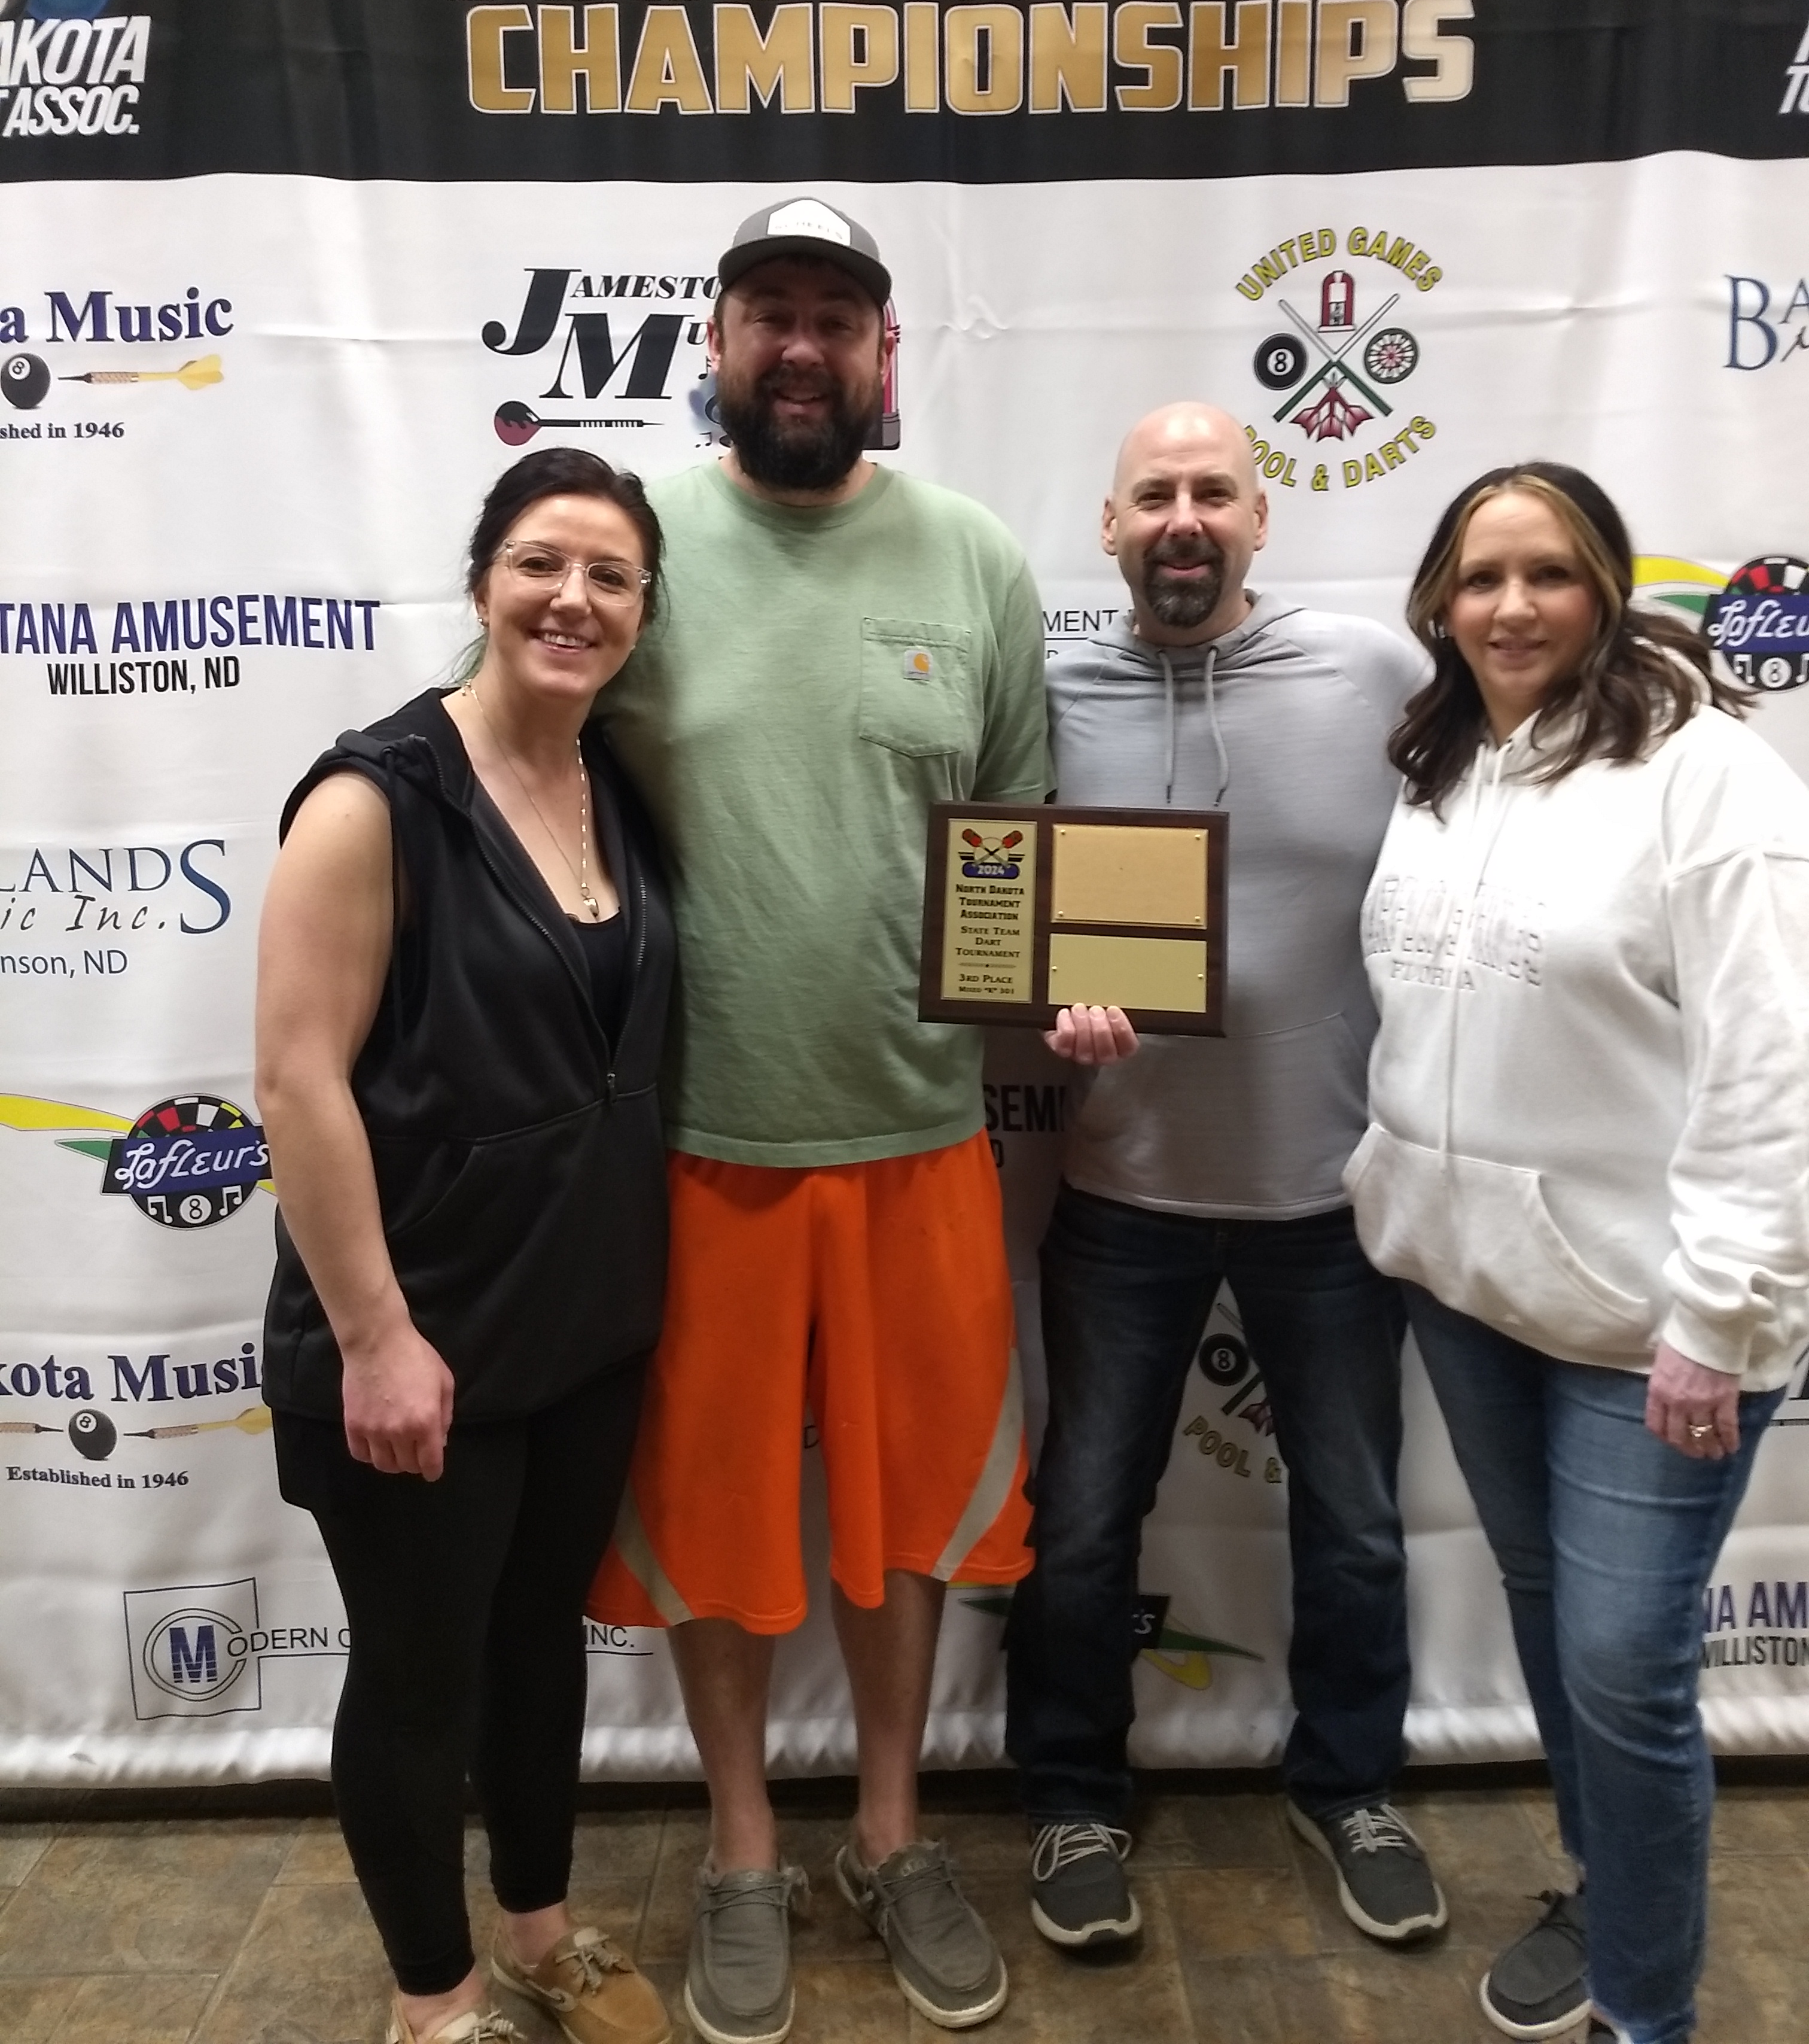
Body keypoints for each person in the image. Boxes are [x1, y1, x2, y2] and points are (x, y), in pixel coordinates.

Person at [586, 197, 1048, 2044]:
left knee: (910, 1516)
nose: (800, 344)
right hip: (693, 1147)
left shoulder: (976, 558)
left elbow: (1017, 854)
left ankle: (892, 1831)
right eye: (767, 310)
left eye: (835, 318)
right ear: (712, 342)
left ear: (883, 354)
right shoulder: (628, 550)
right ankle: (741, 1850)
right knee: (711, 1521)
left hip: (921, 1138)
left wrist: (1074, 992)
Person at [1349, 461, 1809, 2044]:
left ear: (1607, 588)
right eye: (1481, 578)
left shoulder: (1707, 774)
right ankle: (1605, 1888)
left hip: (1654, 1321)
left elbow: (1774, 1066)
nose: (1512, 607)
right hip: (1472, 1288)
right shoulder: (1441, 762)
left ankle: (1644, 2011)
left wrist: (1720, 1315)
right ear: (1438, 601)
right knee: (1549, 1614)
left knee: (1623, 1668)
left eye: (1548, 573)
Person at [1003, 402, 1445, 1954]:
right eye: (1153, 496)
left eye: (1212, 492)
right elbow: (994, 913)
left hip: (1335, 1199)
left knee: (1358, 1524)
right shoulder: (1049, 695)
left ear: (1261, 518)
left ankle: (1352, 1786)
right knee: (1080, 1523)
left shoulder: (1378, 674)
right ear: (1110, 529)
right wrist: (1042, 1007)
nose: (1182, 519)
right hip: (1121, 1194)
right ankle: (1070, 1797)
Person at [257, 451, 677, 2044]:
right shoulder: (374, 799)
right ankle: (434, 2000)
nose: (574, 599)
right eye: (541, 564)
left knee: (536, 1648)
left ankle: (542, 1932)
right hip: (419, 1329)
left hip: (581, 1323)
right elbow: (297, 1079)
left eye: (611, 577)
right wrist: (375, 1338)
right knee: (420, 1677)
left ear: (643, 612)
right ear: (483, 581)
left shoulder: (616, 779)